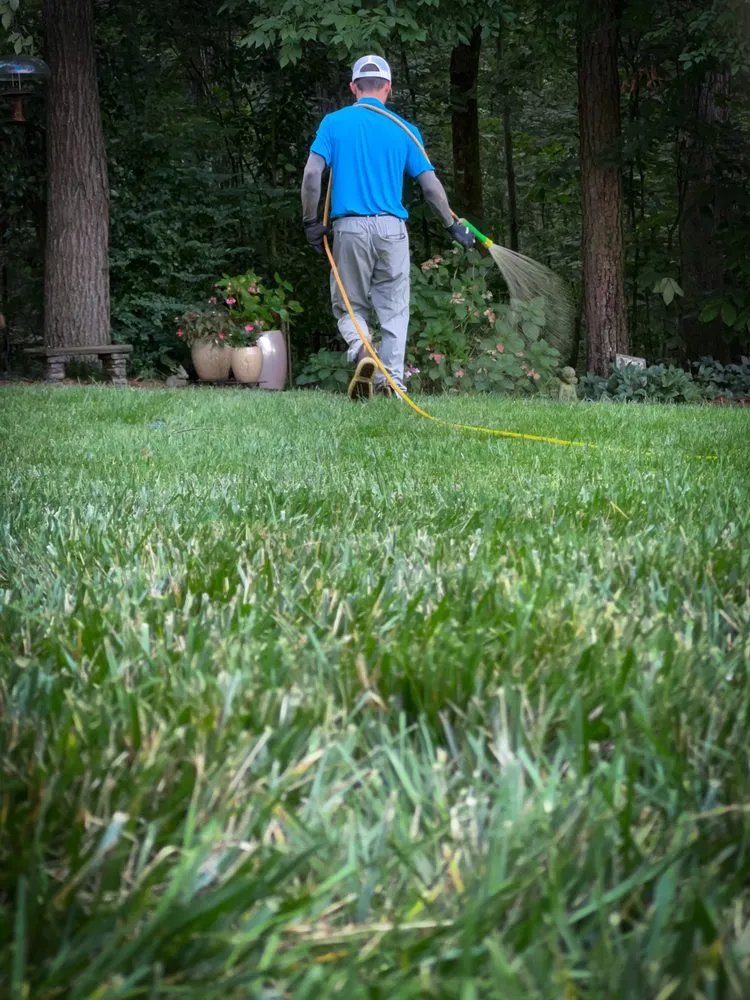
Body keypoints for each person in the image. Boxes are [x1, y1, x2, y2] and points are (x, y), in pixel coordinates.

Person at [301, 54, 475, 400]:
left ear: (353, 88)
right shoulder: (405, 130)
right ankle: (392, 384)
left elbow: (311, 175)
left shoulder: (334, 123)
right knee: (394, 311)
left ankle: (362, 351)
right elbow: (431, 188)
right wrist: (452, 225)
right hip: (393, 230)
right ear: (388, 88)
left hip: (350, 228)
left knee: (349, 305)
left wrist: (310, 221)